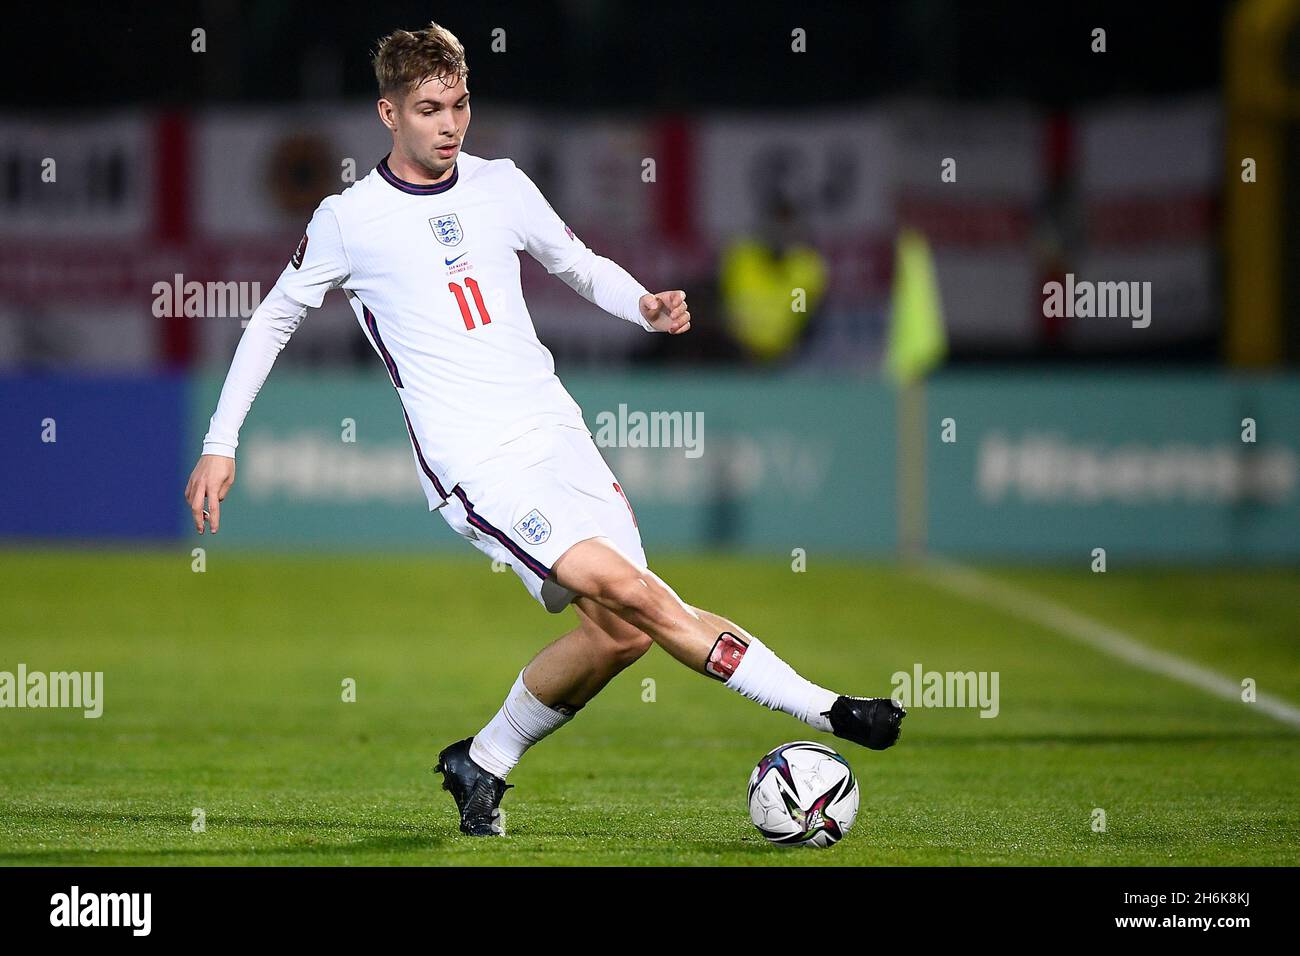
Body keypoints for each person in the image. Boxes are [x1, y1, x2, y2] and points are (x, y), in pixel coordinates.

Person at [184, 21, 905, 838]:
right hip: (477, 465)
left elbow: (578, 262)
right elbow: (272, 320)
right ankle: (835, 710)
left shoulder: (501, 185)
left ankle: (481, 761)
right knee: (637, 593)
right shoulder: (349, 219)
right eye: (428, 109)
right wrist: (220, 441)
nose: (450, 125)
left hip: (558, 435)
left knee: (623, 635)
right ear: (388, 114)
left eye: (459, 104)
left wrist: (641, 302)